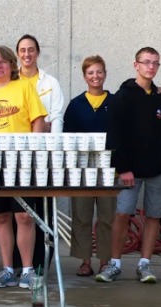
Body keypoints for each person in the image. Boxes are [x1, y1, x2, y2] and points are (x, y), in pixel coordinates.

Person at [97, 47, 161, 284]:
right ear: (136, 65)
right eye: (146, 62)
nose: (150, 67)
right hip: (129, 171)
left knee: (154, 217)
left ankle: (145, 265)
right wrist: (122, 168)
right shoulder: (122, 97)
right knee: (122, 215)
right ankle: (115, 264)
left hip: (158, 170)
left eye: (155, 63)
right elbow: (114, 135)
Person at [0, 46, 47, 288]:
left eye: (3, 62)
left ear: (12, 65)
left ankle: (27, 270)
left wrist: (32, 152)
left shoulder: (24, 87)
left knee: (24, 215)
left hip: (22, 161)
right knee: (1, 217)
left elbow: (38, 121)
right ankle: (6, 269)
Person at [16, 34, 65, 278]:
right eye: (23, 50)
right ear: (18, 54)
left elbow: (55, 117)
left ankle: (42, 263)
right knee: (21, 211)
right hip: (17, 156)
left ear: (37, 53)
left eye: (31, 50)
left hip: (44, 156)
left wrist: (51, 148)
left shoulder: (50, 82)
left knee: (43, 211)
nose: (27, 54)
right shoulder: (11, 81)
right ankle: (20, 264)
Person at [63, 55, 116, 276]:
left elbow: (123, 135)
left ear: (105, 74)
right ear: (85, 76)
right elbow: (67, 137)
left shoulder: (115, 102)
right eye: (91, 73)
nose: (95, 76)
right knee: (82, 216)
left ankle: (105, 261)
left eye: (99, 72)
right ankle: (85, 261)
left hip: (109, 167)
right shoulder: (76, 105)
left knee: (106, 216)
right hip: (82, 168)